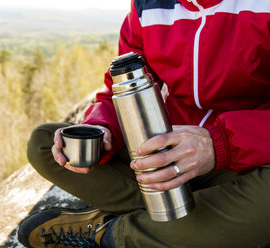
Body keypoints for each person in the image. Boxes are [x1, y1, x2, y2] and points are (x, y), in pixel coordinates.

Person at [19, 0, 270, 247]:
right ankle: (203, 219)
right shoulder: (148, 6)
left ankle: (110, 234)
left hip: (248, 163)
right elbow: (122, 90)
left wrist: (219, 144)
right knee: (46, 143)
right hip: (164, 158)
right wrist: (102, 129)